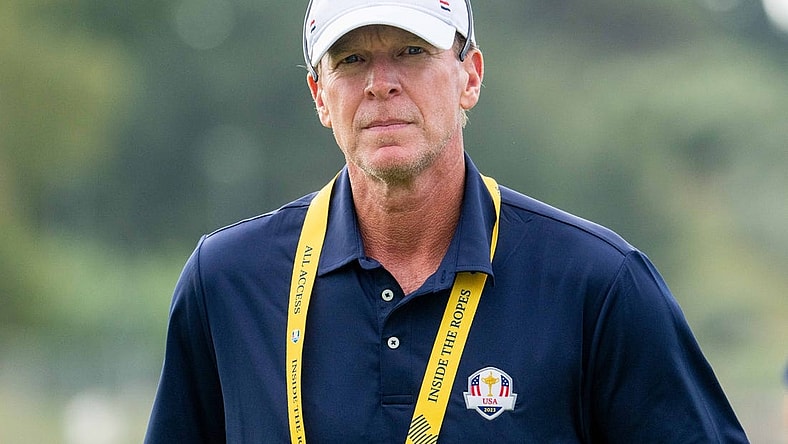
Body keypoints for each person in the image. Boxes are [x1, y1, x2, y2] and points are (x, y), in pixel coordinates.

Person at [144, 0, 749, 442]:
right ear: (320, 96)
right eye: (352, 59)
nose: (381, 84)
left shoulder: (598, 282)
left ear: (470, 76)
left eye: (412, 52)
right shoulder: (226, 281)